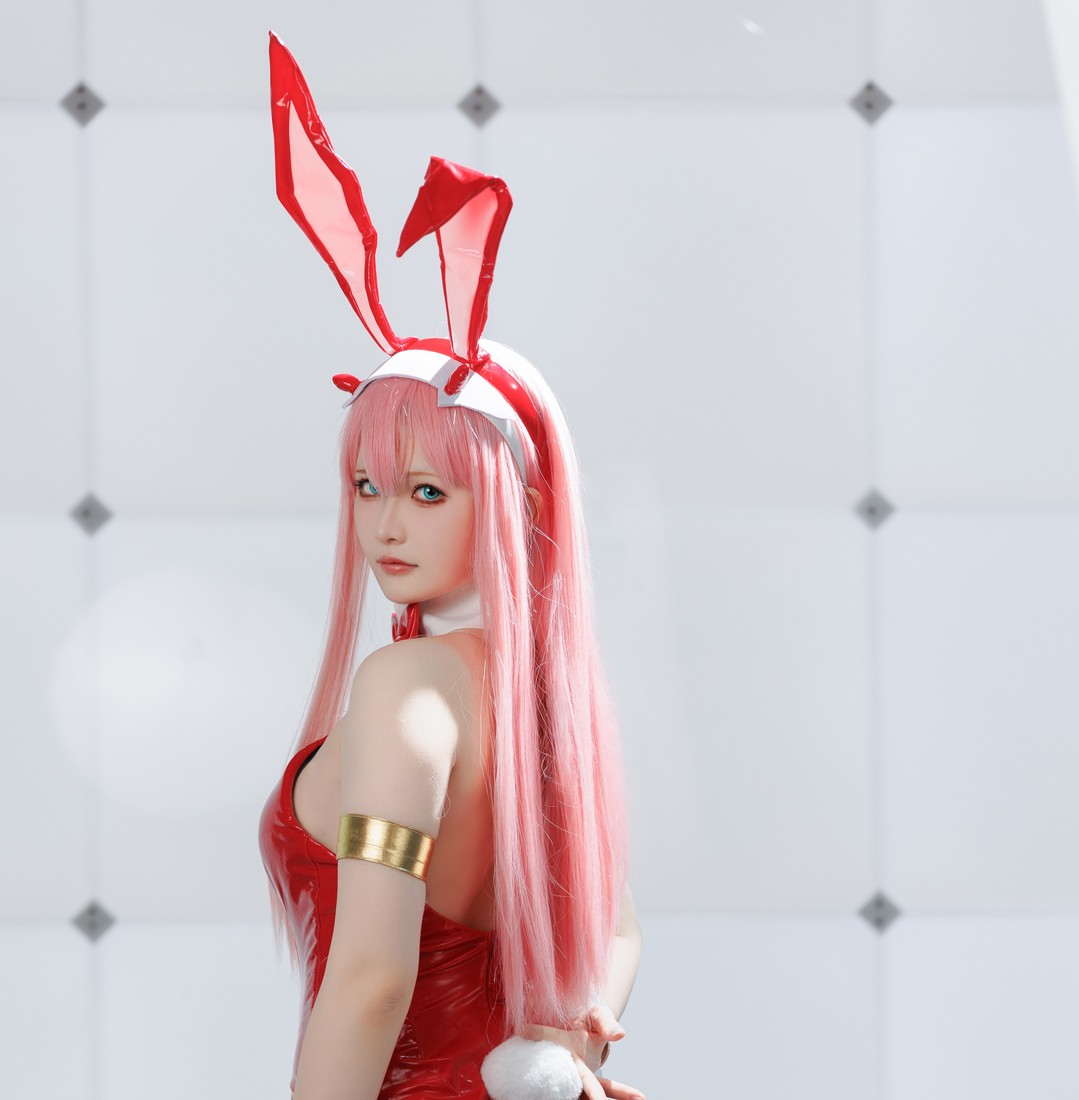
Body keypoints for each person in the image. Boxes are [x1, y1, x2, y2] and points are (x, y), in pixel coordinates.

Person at [258, 33, 644, 1100]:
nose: (385, 524)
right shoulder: (546, 706)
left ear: (518, 503)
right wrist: (564, 1054)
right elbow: (614, 931)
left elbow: (371, 983)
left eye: (427, 492)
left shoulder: (405, 691)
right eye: (366, 485)